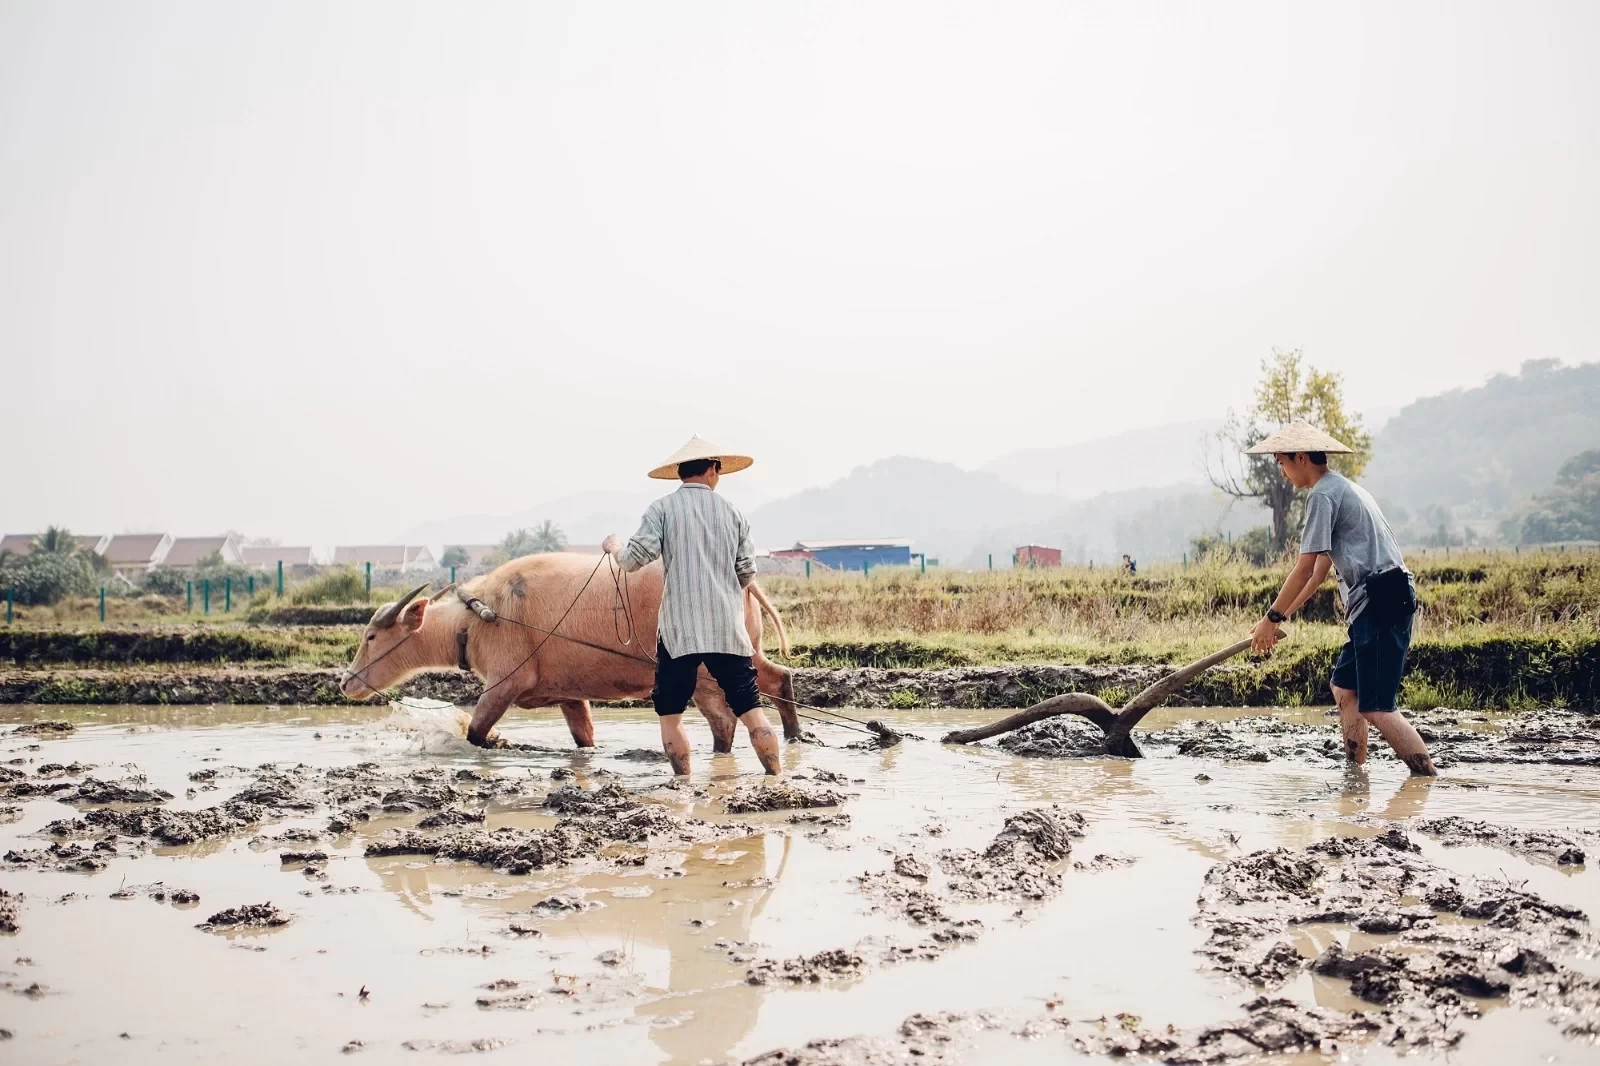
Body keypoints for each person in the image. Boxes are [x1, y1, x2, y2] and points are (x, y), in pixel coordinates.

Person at [1246, 422, 1437, 776]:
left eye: (1282, 463)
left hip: (1380, 602)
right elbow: (1317, 574)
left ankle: (1426, 779)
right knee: (1345, 688)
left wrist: (1269, 618)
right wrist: (1279, 619)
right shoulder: (1344, 489)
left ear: (1300, 457)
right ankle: (1356, 773)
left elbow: (1302, 569)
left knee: (1378, 708)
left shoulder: (1323, 495)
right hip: (1376, 603)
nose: (1283, 473)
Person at [602, 435, 783, 777]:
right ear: (713, 470)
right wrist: (721, 590)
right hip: (726, 631)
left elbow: (631, 561)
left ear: (680, 473)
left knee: (670, 714)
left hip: (678, 633)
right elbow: (746, 572)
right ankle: (777, 780)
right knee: (752, 710)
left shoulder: (661, 509)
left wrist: (614, 547)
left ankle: (683, 787)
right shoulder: (734, 513)